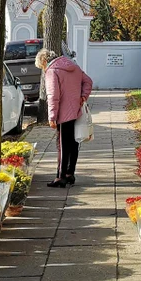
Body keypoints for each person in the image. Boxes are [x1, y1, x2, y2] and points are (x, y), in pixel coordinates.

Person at [36, 48, 92, 187]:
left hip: (63, 114)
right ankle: (70, 173)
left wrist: (52, 117)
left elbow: (53, 96)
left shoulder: (52, 71)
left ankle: (60, 177)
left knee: (62, 146)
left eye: (41, 66)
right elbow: (88, 81)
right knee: (73, 143)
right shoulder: (73, 65)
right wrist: (83, 96)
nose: (43, 69)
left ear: (44, 61)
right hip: (76, 111)